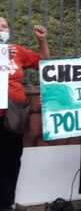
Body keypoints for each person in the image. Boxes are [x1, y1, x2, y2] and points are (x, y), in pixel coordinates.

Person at [0, 17, 49, 211]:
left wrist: (42, 41)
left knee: (13, 158)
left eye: (4, 25)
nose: (2, 29)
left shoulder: (17, 51)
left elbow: (43, 61)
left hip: (15, 114)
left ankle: (9, 202)